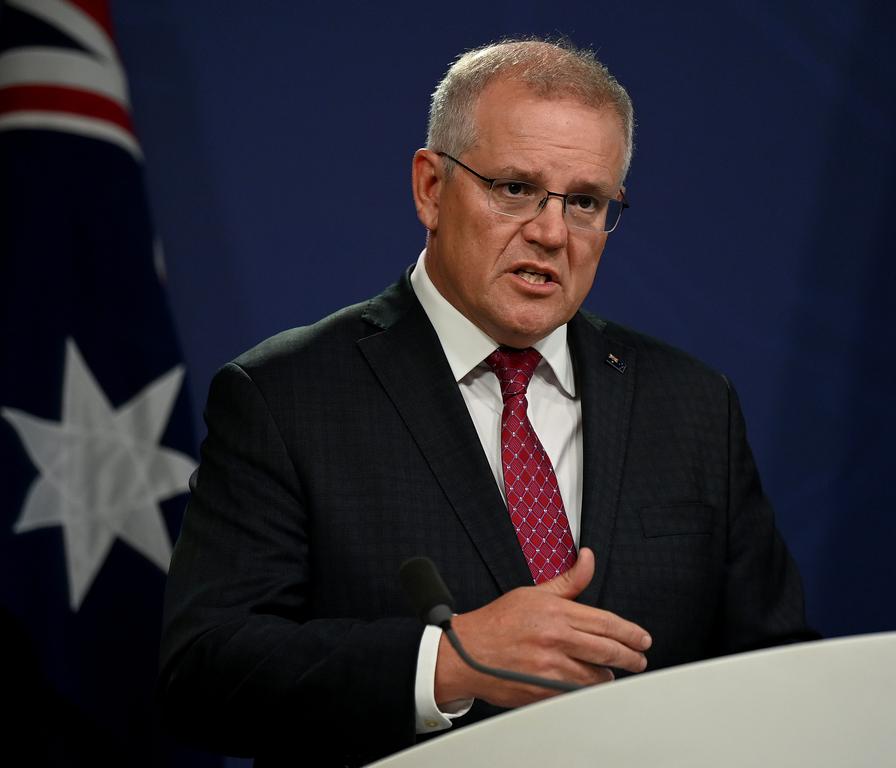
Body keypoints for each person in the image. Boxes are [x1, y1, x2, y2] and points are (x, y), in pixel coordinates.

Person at [158, 38, 817, 766]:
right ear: (431, 189)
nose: (550, 232)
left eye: (587, 202)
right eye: (514, 188)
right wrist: (446, 662)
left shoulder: (692, 404)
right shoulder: (286, 397)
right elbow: (204, 671)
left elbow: (779, 671)